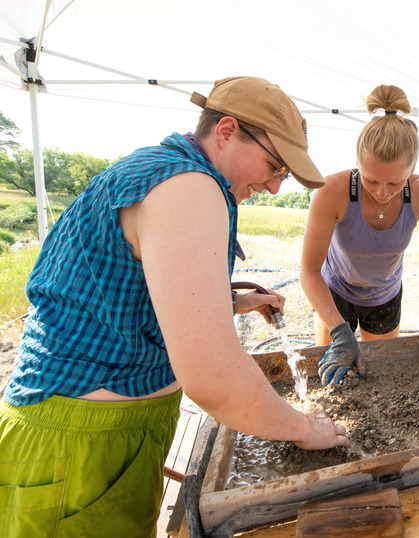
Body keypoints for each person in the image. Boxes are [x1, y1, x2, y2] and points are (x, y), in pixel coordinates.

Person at [0, 77, 350, 537]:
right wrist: (304, 427)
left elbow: (132, 291)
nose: (272, 187)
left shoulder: (166, 170)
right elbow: (210, 373)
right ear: (225, 131)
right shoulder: (189, 185)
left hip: (94, 431)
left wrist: (235, 302)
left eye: (282, 174)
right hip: (82, 445)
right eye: (273, 165)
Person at [301, 84, 419, 386]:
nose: (382, 193)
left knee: (377, 377)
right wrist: (338, 330)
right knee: (331, 378)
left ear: (413, 168)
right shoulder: (331, 191)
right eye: (371, 181)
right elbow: (308, 270)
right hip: (336, 293)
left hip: (384, 296)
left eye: (395, 183)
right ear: (357, 163)